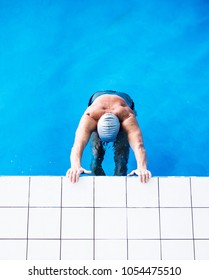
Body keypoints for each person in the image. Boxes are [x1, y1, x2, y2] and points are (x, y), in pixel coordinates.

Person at [66, 90, 151, 183]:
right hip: (98, 99)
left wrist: (142, 168)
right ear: (96, 124)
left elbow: (139, 145)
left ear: (120, 125)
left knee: (121, 157)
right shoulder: (90, 116)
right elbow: (78, 144)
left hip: (124, 101)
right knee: (96, 154)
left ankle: (120, 181)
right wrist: (75, 166)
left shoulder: (128, 116)